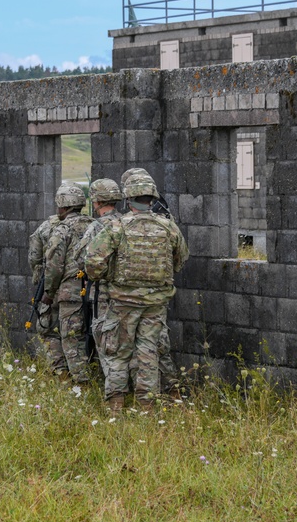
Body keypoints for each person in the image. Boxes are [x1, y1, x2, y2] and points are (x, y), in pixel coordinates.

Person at [85, 173, 188, 412]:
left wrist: (107, 276)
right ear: (151, 198)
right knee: (148, 353)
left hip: (122, 301)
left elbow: (93, 261)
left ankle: (116, 405)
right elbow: (180, 259)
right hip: (156, 303)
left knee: (118, 353)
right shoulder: (168, 226)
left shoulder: (116, 226)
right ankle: (146, 406)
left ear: (128, 198)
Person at [119, 168, 180, 394]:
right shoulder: (165, 218)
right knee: (154, 346)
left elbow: (96, 262)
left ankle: (153, 393)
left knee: (134, 348)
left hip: (126, 296)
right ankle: (166, 393)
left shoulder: (122, 223)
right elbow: (179, 257)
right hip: (157, 295)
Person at [41, 184, 95, 383]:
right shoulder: (94, 224)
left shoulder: (62, 229)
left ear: (62, 206)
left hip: (70, 293)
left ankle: (82, 383)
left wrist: (49, 292)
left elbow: (54, 265)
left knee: (72, 337)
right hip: (96, 291)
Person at [70, 178, 123, 378]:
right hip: (127, 292)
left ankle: (113, 387)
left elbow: (80, 257)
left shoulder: (97, 226)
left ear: (97, 202)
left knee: (106, 340)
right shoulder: (126, 221)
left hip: (104, 293)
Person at [28, 211, 65, 375]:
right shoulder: (90, 224)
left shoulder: (47, 227)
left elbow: (34, 257)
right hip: (80, 287)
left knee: (47, 328)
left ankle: (60, 370)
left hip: (51, 287)